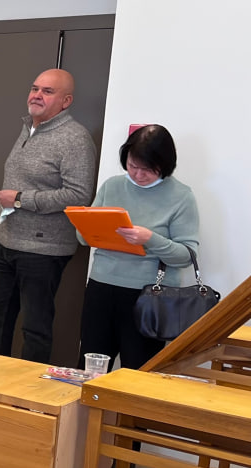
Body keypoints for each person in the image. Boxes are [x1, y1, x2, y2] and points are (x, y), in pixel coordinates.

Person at [0, 68, 96, 363]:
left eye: (47, 91)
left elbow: (78, 195)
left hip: (44, 250)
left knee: (34, 328)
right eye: (35, 88)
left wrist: (20, 199)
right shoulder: (27, 128)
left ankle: (30, 389)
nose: (37, 95)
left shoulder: (75, 138)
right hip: (7, 242)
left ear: (66, 101)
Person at [79, 124, 199, 370]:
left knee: (138, 370)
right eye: (132, 166)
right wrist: (86, 227)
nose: (138, 175)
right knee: (90, 365)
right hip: (101, 287)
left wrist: (150, 238)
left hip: (149, 296)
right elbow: (83, 238)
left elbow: (186, 255)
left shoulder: (182, 196)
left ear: (165, 165)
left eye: (148, 170)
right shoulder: (112, 186)